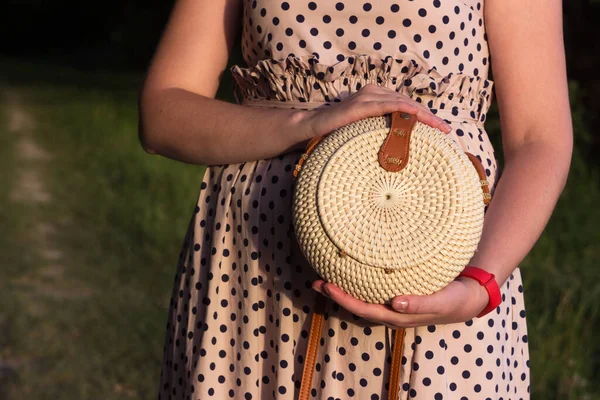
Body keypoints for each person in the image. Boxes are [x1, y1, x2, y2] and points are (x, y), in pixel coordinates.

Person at [138, 0, 572, 398]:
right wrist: (305, 123)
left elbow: (541, 137)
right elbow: (162, 114)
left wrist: (479, 287)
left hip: (442, 296)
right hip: (256, 289)